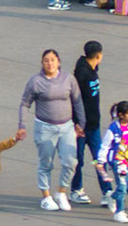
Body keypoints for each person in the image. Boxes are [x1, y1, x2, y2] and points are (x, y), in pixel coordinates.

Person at [15, 47, 85, 211]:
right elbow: (25, 103)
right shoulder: (36, 81)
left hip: (66, 126)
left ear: (58, 62)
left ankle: (61, 192)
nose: (50, 63)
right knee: (46, 163)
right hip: (45, 127)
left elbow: (77, 101)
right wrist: (22, 126)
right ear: (42, 63)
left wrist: (81, 123)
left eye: (53, 60)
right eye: (46, 60)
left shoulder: (68, 78)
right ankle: (46, 197)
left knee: (70, 162)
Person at [71, 42, 107, 204]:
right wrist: (78, 122)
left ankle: (107, 192)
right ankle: (76, 189)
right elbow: (75, 100)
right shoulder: (82, 74)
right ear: (99, 55)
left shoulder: (92, 69)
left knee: (99, 159)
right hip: (81, 126)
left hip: (94, 125)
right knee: (78, 160)